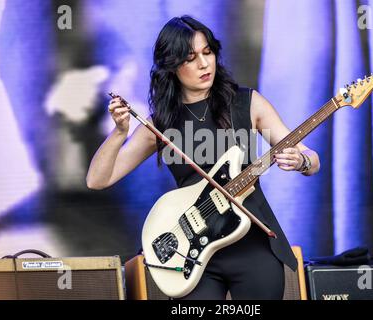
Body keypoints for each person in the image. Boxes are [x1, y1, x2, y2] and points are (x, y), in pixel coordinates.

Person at [86, 15, 320, 300]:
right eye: (190, 58)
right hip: (194, 253)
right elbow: (98, 179)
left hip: (252, 244)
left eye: (207, 52)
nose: (204, 64)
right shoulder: (160, 124)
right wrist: (120, 132)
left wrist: (302, 161)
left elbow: (310, 156)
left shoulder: (247, 103)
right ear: (171, 66)